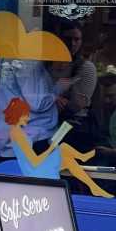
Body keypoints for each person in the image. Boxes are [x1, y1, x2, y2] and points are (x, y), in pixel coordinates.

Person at [49, 23, 98, 152]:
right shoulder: (46, 64)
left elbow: (76, 105)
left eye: (76, 39)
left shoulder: (85, 67)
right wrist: (53, 98)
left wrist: (48, 99)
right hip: (45, 124)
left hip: (71, 126)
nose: (72, 43)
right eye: (67, 39)